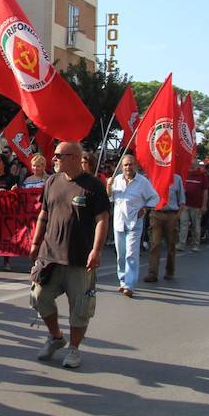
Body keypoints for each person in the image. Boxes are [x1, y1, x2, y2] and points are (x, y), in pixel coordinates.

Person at [28, 142, 109, 369]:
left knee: (80, 308)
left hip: (79, 259)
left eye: (58, 155)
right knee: (39, 297)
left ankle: (73, 349)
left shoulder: (93, 186)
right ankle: (56, 337)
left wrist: (97, 250)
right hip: (50, 255)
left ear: (74, 157)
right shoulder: (52, 181)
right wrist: (35, 242)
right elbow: (44, 213)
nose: (53, 159)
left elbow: (102, 218)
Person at [108, 154, 158, 297]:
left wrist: (146, 208)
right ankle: (123, 281)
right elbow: (109, 197)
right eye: (125, 165)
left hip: (134, 222)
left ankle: (129, 285)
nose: (128, 167)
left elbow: (154, 197)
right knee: (121, 254)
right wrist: (108, 186)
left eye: (130, 164)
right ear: (122, 167)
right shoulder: (116, 180)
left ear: (136, 166)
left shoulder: (142, 182)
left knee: (131, 253)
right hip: (119, 223)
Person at [144, 170, 184, 283]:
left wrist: (177, 216)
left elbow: (182, 200)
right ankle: (152, 273)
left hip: (171, 214)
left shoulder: (177, 178)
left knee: (171, 244)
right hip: (156, 214)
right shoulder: (152, 177)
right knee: (155, 243)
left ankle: (170, 271)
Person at [179, 158, 209, 252]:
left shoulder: (202, 176)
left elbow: (205, 191)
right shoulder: (185, 174)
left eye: (193, 165)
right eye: (190, 164)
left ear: (197, 165)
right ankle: (181, 244)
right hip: (185, 204)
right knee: (183, 224)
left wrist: (204, 205)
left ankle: (195, 245)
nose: (191, 166)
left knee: (196, 226)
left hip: (197, 205)